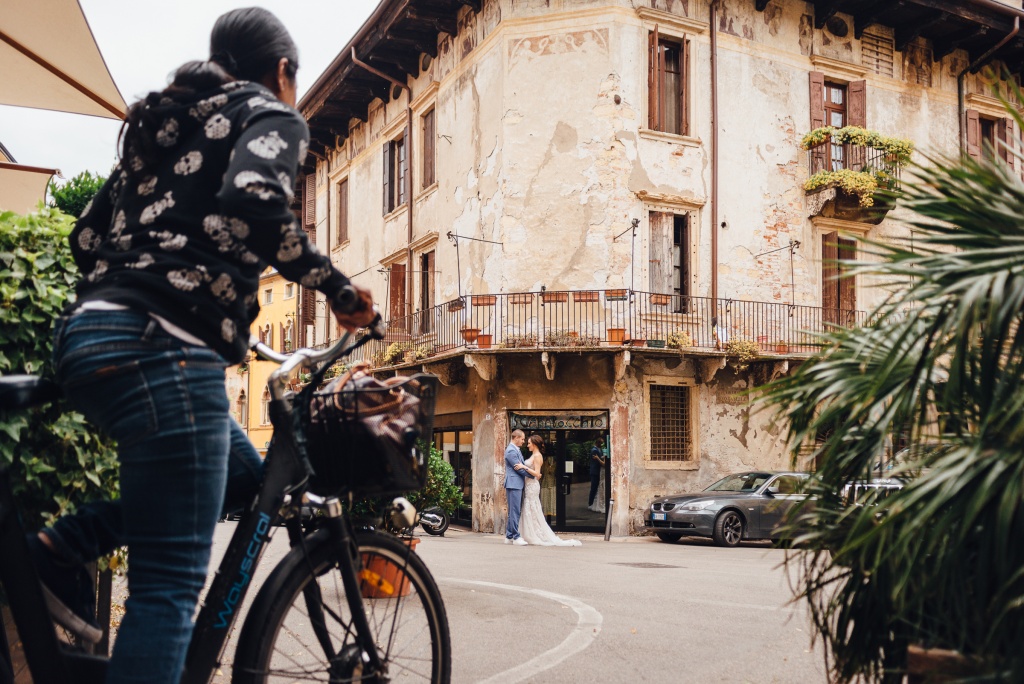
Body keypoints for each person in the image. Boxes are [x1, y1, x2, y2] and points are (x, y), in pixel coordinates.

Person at [25, 8, 375, 683]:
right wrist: (337, 289)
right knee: (167, 589)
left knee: (243, 477)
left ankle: (63, 545)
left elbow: (86, 237)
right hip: (165, 349)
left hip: (86, 339)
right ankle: (69, 552)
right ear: (282, 72)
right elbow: (254, 197)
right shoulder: (268, 114)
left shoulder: (163, 124)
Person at [518, 435, 582, 547]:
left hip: (532, 485)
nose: (527, 445)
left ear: (534, 444)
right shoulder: (533, 455)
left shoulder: (537, 456)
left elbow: (537, 474)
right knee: (529, 507)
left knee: (532, 507)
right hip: (529, 485)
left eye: (529, 443)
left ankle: (534, 534)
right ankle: (528, 533)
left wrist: (523, 467)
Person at [504, 429, 530, 545]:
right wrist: (532, 475)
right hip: (514, 484)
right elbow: (518, 468)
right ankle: (516, 537)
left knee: (513, 511)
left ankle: (509, 536)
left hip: (515, 483)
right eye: (522, 439)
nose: (523, 441)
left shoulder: (514, 449)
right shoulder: (511, 451)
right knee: (515, 511)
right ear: (516, 438)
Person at [588, 437, 607, 512]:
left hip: (599, 471)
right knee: (594, 487)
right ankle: (590, 503)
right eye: (601, 443)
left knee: (598, 487)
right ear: (598, 443)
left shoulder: (600, 450)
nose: (602, 445)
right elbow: (599, 461)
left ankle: (595, 503)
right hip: (595, 471)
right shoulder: (594, 450)